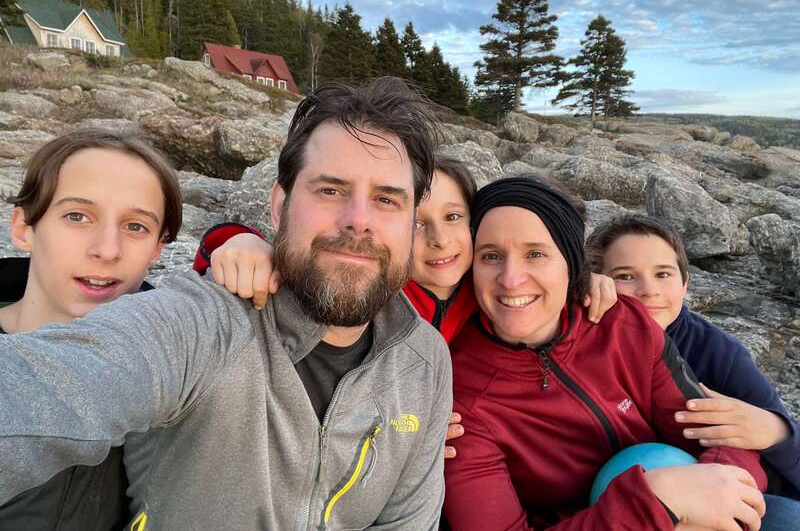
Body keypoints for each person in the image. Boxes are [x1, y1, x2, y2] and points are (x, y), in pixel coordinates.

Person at [0, 78, 453, 530]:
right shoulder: (208, 320)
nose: (358, 220)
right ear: (279, 206)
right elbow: (59, 383)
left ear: (412, 222)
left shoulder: (425, 360)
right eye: (330, 190)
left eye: (387, 199)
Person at [196, 163, 618, 459]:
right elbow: (303, 261)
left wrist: (584, 283)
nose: (439, 238)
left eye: (454, 217)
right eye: (418, 222)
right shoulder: (374, 290)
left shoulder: (489, 291)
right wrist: (235, 240)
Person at [442, 176, 767, 530]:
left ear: (570, 263)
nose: (510, 278)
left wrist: (724, 485)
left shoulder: (623, 324)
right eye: (491, 256)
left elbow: (715, 430)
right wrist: (657, 502)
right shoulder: (461, 392)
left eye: (535, 254)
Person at [0, 130, 181, 531]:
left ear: (157, 250)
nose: (107, 249)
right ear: (24, 227)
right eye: (77, 216)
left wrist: (239, 242)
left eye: (135, 226)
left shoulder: (172, 368)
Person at [586, 213, 800, 528]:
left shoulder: (720, 355)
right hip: (617, 506)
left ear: (685, 284)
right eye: (625, 276)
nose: (648, 290)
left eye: (663, 274)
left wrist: (777, 432)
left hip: (731, 496)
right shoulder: (576, 339)